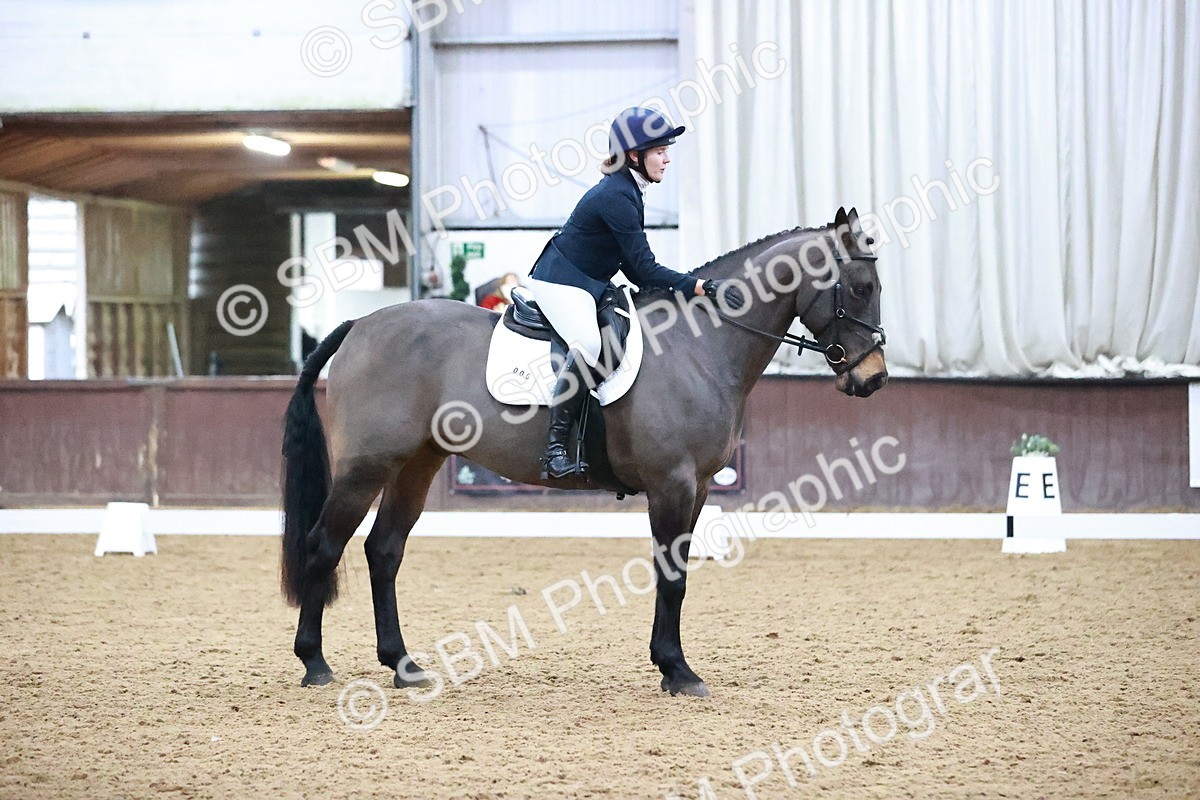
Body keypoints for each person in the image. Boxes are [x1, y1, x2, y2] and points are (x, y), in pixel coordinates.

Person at [528, 107, 745, 479]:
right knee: (589, 345)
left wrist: (674, 293)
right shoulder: (617, 195)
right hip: (561, 282)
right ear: (634, 155)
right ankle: (555, 451)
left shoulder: (629, 189)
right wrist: (701, 287)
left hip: (591, 281)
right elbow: (644, 267)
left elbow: (632, 266)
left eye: (666, 149)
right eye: (659, 150)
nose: (667, 157)